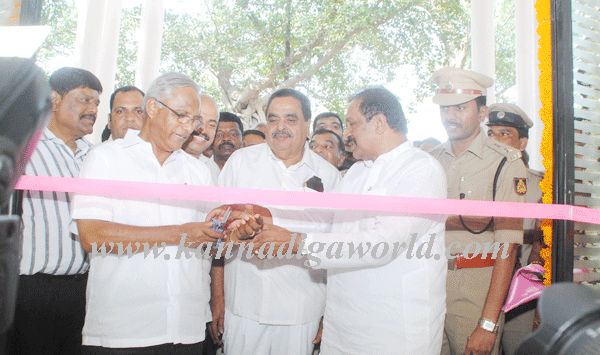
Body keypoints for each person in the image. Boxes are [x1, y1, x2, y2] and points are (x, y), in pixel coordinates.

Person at [248, 86, 448, 354]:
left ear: (379, 123)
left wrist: (295, 242)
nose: (346, 133)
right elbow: (327, 228)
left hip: (395, 329)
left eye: (352, 123)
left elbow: (382, 243)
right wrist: (271, 227)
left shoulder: (420, 170)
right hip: (342, 326)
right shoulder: (355, 174)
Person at [72, 73, 222, 354]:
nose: (188, 127)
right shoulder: (106, 158)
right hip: (124, 331)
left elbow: (209, 235)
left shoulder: (198, 171)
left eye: (194, 120)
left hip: (186, 328)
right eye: (181, 115)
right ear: (152, 108)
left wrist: (233, 227)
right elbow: (92, 235)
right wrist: (179, 233)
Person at [216, 88, 341, 355]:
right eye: (273, 119)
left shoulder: (329, 177)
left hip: (302, 312)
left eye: (290, 119)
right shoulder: (240, 162)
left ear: (307, 124)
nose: (280, 127)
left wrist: (329, 316)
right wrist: (236, 233)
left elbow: (337, 249)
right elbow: (216, 229)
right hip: (244, 309)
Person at [429, 68, 527, 355]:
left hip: (475, 290)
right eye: (445, 108)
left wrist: (487, 323)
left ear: (482, 113)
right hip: (430, 286)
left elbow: (507, 248)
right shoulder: (431, 161)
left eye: (460, 108)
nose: (450, 116)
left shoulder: (505, 163)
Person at [12, 67, 102, 354]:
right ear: (55, 99)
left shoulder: (96, 156)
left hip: (84, 289)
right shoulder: (24, 149)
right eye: (85, 100)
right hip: (32, 291)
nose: (93, 109)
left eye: (97, 103)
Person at [486, 103, 544, 355]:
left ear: (522, 143)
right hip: (478, 279)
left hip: (519, 290)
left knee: (516, 346)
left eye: (504, 133)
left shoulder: (540, 186)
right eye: (490, 133)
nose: (495, 140)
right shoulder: (475, 180)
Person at [183, 94, 221, 182]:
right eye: (198, 120)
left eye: (211, 125)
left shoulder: (212, 169)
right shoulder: (163, 160)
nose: (203, 129)